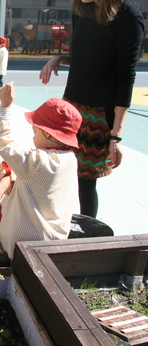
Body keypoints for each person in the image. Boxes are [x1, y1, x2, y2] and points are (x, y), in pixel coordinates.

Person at [39, 0, 144, 218]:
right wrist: (59, 58)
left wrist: (116, 135)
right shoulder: (81, 9)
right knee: (58, 171)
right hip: (70, 106)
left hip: (97, 114)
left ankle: (87, 238)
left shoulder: (128, 15)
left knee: (85, 184)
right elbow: (85, 58)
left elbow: (126, 77)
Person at [0, 82, 83, 258]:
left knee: (5, 259)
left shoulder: (39, 162)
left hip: (23, 240)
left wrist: (5, 105)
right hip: (51, 236)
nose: (32, 136)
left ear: (47, 134)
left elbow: (2, 142)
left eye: (34, 131)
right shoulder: (70, 159)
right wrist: (13, 186)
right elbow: (43, 190)